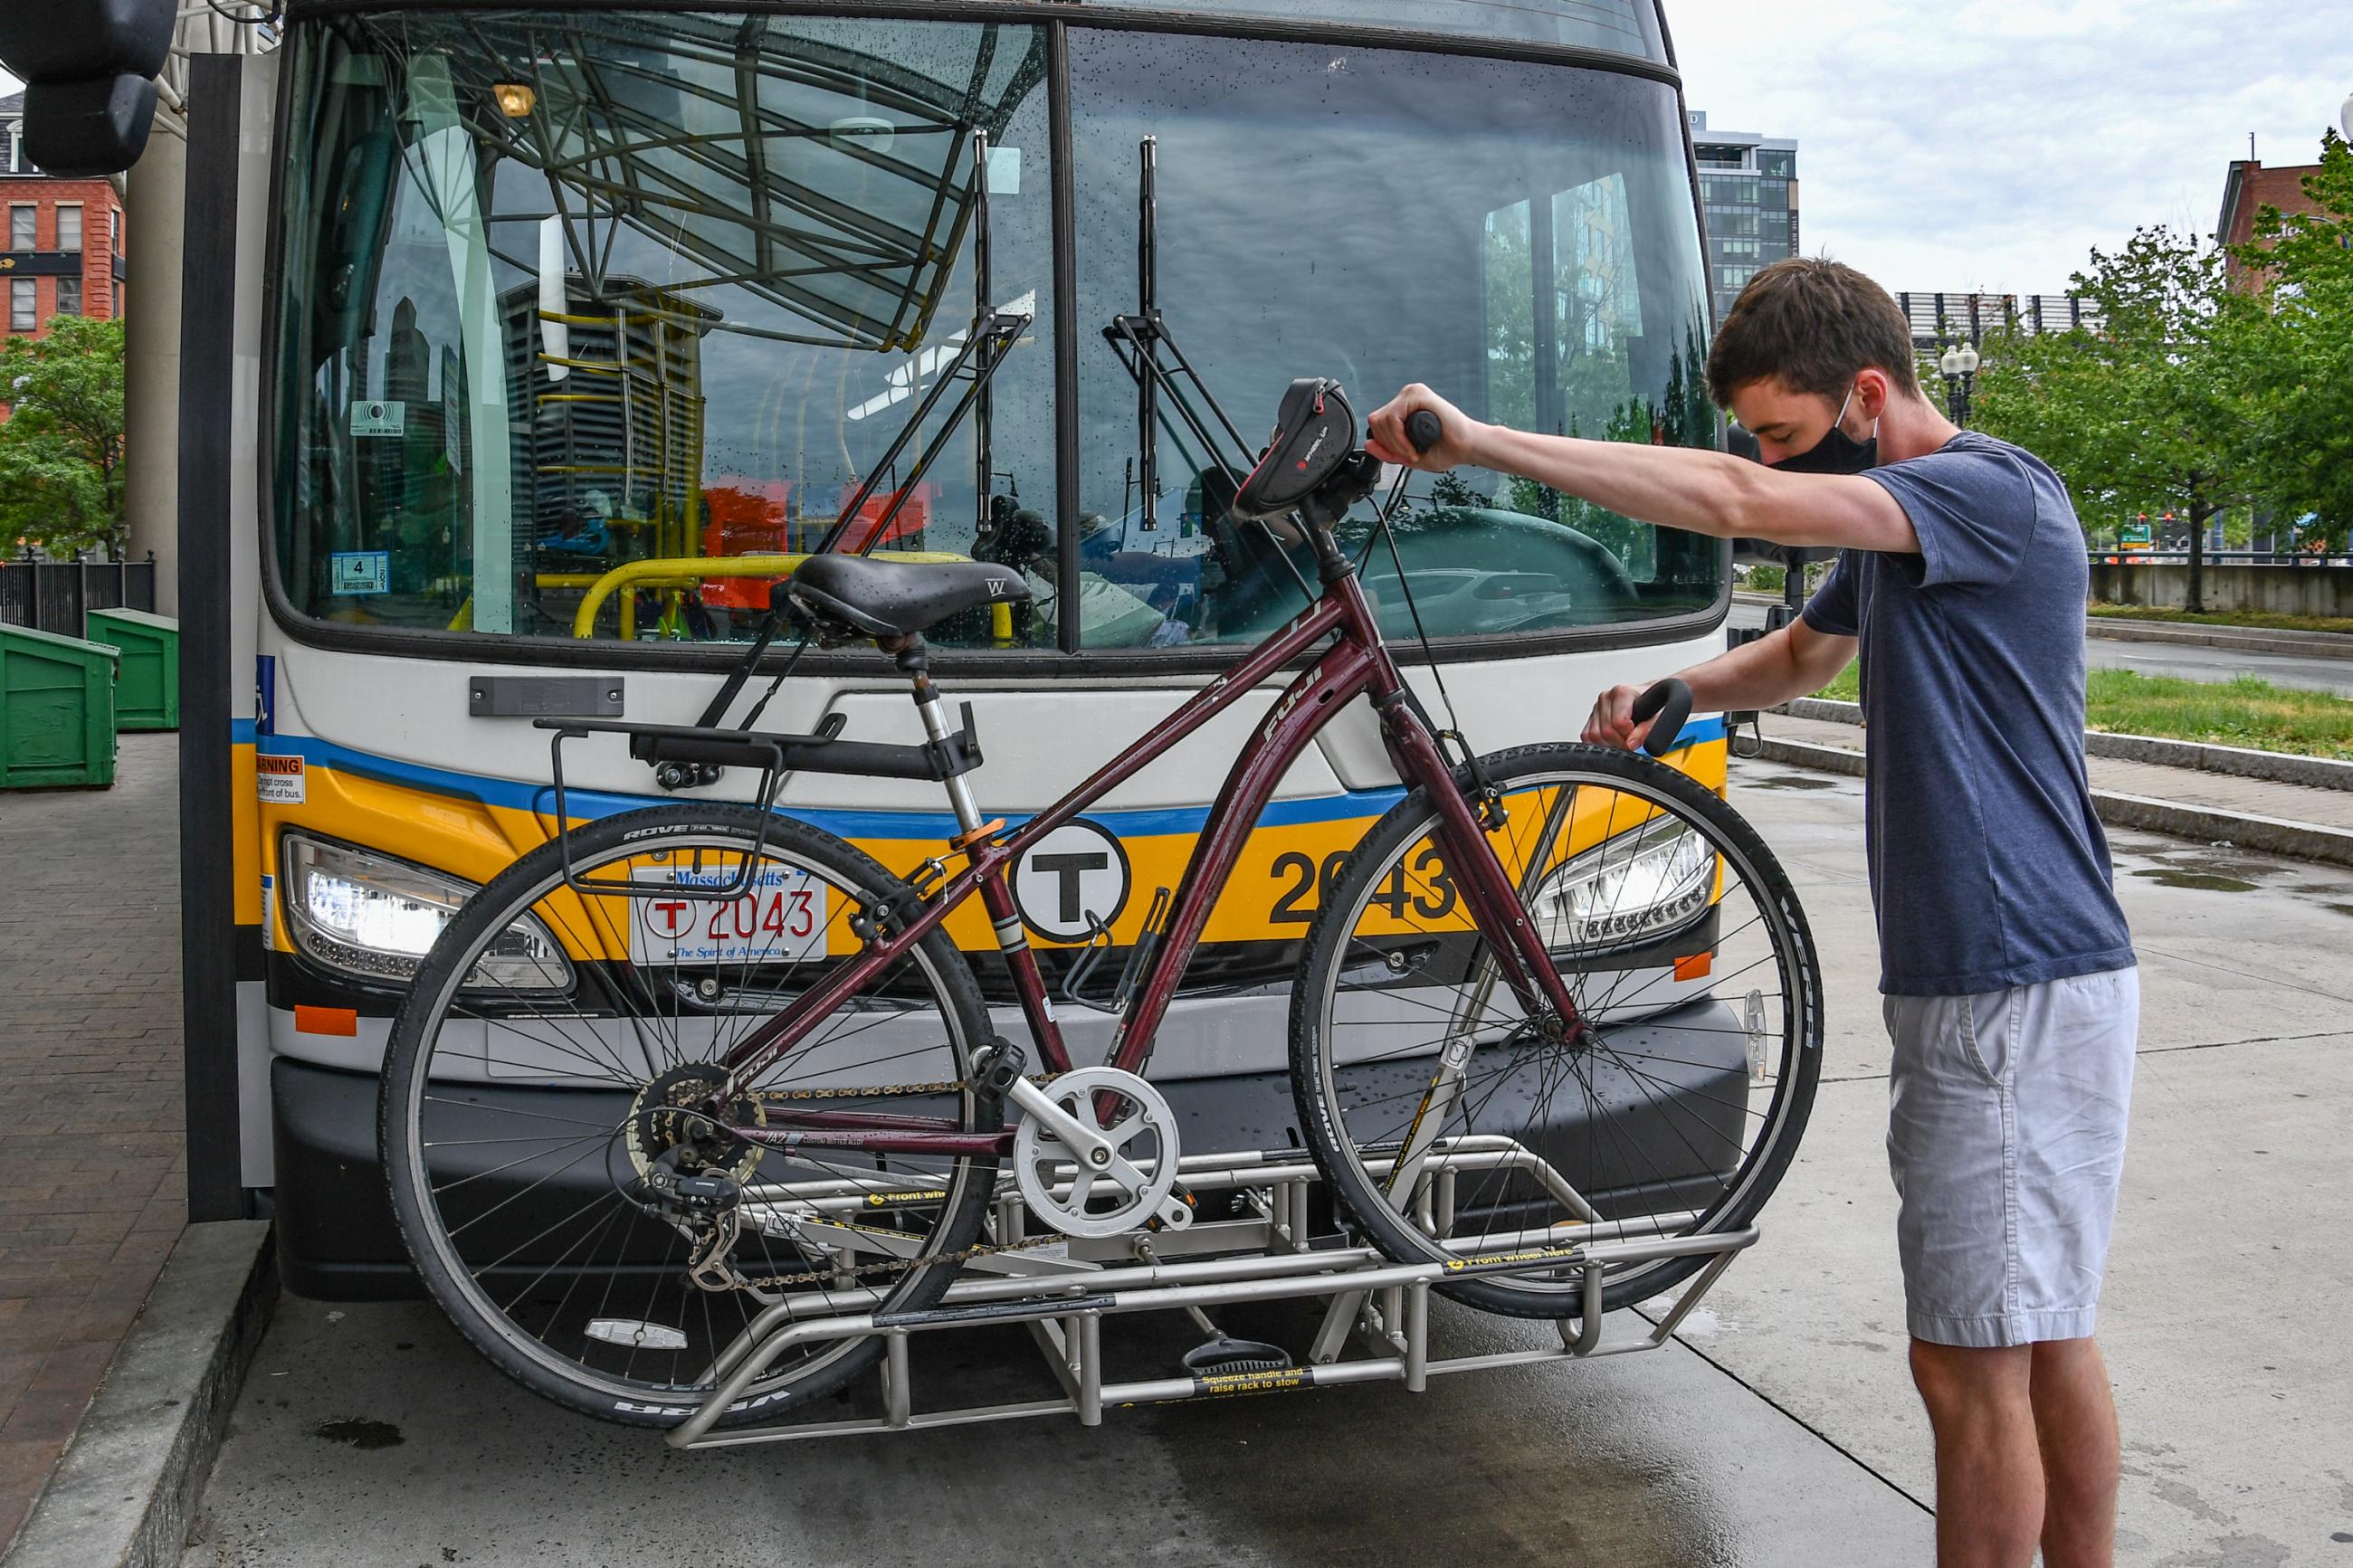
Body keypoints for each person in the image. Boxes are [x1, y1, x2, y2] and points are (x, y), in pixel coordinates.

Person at [1367, 257, 2138, 1568]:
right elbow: (1807, 651)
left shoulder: (1984, 495)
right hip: (2018, 977)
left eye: (1786, 434)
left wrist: (1483, 444)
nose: (1769, 465)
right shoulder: (1912, 526)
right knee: (2038, 1326)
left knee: (1967, 1367)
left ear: (1869, 395)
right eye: (1764, 442)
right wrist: (1691, 684)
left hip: (2009, 981)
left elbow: (1732, 500)